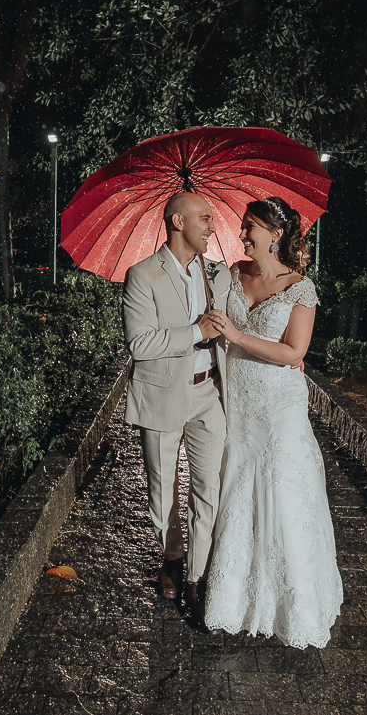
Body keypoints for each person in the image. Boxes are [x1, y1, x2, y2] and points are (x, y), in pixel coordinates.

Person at [202, 196, 343, 649]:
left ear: (275, 234)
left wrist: (239, 336)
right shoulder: (229, 275)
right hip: (239, 402)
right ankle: (235, 599)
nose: (242, 235)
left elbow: (294, 352)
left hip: (279, 404)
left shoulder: (301, 288)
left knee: (282, 490)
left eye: (250, 228)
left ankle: (294, 605)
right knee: (240, 491)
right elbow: (206, 320)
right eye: (243, 227)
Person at [121, 192, 232, 627]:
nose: (211, 226)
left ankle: (197, 577)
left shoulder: (217, 276)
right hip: (162, 393)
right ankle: (171, 557)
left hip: (209, 394)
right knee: (162, 488)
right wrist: (194, 330)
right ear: (176, 221)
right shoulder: (142, 275)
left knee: (209, 489)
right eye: (204, 218)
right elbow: (140, 343)